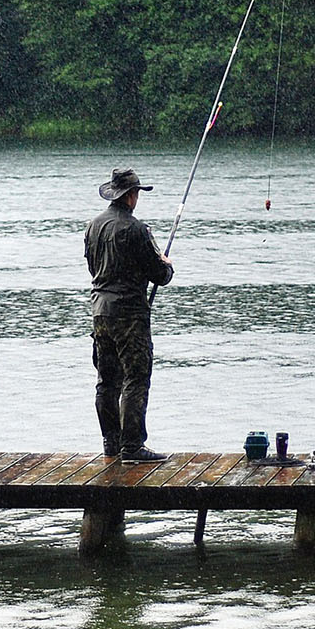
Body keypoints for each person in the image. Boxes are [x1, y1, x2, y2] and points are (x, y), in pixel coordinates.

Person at [85, 168, 174, 463]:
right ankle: (133, 446)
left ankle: (111, 442)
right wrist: (166, 264)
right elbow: (159, 275)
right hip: (129, 316)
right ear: (132, 196)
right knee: (136, 377)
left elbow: (94, 269)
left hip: (100, 312)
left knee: (107, 380)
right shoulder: (137, 230)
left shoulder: (93, 226)